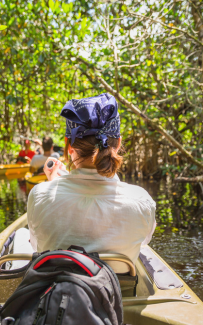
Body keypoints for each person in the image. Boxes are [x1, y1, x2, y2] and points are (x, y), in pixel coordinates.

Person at [27, 93, 156, 265]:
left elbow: (37, 245)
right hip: (117, 290)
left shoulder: (40, 195)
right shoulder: (141, 200)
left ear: (68, 145)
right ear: (117, 143)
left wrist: (52, 186)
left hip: (58, 289)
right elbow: (143, 242)